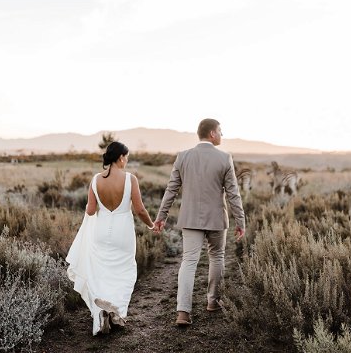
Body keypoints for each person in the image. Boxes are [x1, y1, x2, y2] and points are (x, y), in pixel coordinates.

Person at [153, 118, 245, 326]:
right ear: (212, 133)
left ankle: (183, 313)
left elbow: (171, 190)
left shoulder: (183, 157)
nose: (222, 134)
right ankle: (213, 302)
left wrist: (161, 216)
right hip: (216, 218)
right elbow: (233, 194)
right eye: (220, 131)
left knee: (189, 261)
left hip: (190, 218)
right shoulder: (224, 158)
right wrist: (241, 220)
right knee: (217, 256)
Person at [66, 141, 156, 335]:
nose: (127, 161)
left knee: (102, 271)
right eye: (127, 157)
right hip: (122, 231)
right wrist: (151, 224)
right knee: (124, 271)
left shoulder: (96, 179)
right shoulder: (130, 179)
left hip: (101, 229)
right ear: (121, 157)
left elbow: (90, 210)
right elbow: (139, 209)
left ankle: (103, 310)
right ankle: (115, 311)